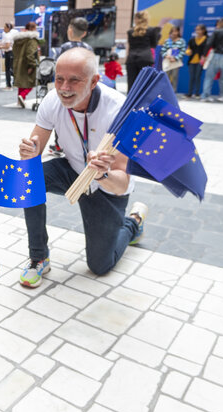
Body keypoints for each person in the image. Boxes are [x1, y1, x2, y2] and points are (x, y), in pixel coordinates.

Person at [17, 48, 148, 288]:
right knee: (26, 179)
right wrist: (28, 155)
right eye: (59, 79)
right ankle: (39, 258)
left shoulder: (119, 110)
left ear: (94, 81)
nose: (64, 87)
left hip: (106, 186)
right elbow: (31, 160)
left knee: (100, 266)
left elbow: (122, 183)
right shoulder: (51, 101)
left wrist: (102, 174)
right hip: (73, 171)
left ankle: (133, 222)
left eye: (74, 80)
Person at [125, 11, 160, 92]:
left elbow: (130, 46)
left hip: (132, 59)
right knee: (144, 85)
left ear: (136, 19)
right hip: (146, 58)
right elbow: (153, 45)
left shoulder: (130, 32)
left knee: (131, 85)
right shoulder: (152, 30)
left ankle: (131, 103)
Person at [13, 22, 40, 109]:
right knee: (32, 82)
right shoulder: (31, 40)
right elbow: (30, 53)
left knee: (22, 82)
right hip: (27, 63)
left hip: (18, 63)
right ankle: (22, 95)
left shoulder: (18, 39)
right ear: (33, 28)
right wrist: (32, 65)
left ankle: (19, 99)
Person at [185, 24, 208, 99]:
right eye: (196, 29)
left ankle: (197, 93)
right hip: (192, 61)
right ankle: (189, 93)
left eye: (199, 29)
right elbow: (188, 49)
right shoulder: (192, 39)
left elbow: (208, 50)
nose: (197, 31)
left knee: (198, 76)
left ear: (203, 30)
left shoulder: (207, 39)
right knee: (192, 77)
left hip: (201, 61)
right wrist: (188, 52)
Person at [161, 25, 186, 91]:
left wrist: (175, 58)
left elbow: (182, 51)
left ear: (178, 32)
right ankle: (165, 90)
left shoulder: (182, 41)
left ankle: (173, 91)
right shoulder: (167, 41)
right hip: (167, 61)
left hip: (176, 62)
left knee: (175, 77)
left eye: (176, 31)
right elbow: (163, 51)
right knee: (166, 76)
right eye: (172, 31)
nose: (174, 33)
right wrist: (167, 56)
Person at [0, 22, 15, 90]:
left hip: (9, 53)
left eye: (5, 27)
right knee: (9, 69)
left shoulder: (7, 35)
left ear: (8, 28)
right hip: (10, 53)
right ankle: (13, 81)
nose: (4, 28)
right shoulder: (9, 34)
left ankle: (8, 85)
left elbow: (8, 46)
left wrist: (1, 47)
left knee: (8, 69)